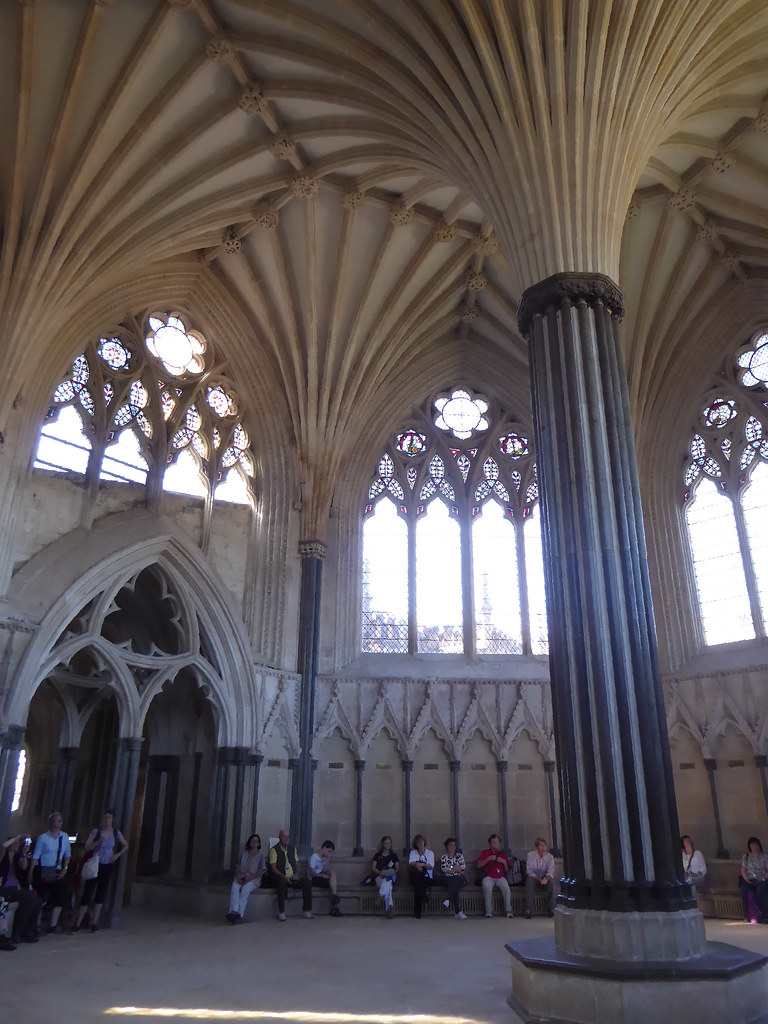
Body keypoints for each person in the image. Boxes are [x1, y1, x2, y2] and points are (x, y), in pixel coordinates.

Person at [72, 810, 128, 933]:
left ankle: (94, 922)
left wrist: (117, 855)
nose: (107, 820)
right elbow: (87, 847)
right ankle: (78, 922)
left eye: (109, 817)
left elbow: (125, 845)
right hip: (95, 864)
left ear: (113, 819)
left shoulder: (116, 832)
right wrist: (99, 840)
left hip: (107, 865)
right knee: (88, 892)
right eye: (105, 817)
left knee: (101, 894)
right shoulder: (96, 832)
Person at [31, 811, 71, 933]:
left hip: (58, 869)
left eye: (61, 821)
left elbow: (67, 855)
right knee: (41, 897)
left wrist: (65, 868)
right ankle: (36, 924)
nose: (60, 823)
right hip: (44, 870)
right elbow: (35, 857)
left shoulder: (64, 837)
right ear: (52, 822)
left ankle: (52, 925)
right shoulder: (43, 838)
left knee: (60, 896)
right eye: (58, 820)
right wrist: (31, 872)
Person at [0, 834, 41, 944]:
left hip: (16, 888)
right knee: (29, 899)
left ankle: (28, 932)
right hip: (5, 888)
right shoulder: (3, 856)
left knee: (37, 902)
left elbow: (24, 867)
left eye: (18, 843)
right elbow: (4, 846)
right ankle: (16, 933)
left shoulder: (17, 857)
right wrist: (18, 837)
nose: (17, 845)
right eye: (15, 843)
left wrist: (24, 853)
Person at [266, 829, 313, 921]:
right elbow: (273, 868)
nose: (287, 838)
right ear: (279, 838)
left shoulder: (293, 849)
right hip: (280, 876)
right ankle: (282, 912)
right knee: (281, 882)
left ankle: (306, 910)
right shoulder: (274, 850)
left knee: (306, 882)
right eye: (284, 836)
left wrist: (296, 874)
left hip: (291, 876)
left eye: (288, 836)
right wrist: (284, 877)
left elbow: (296, 864)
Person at [226, 833, 265, 924]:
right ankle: (234, 910)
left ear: (258, 844)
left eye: (256, 841)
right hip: (242, 877)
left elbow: (260, 871)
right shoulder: (243, 854)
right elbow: (238, 868)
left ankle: (240, 913)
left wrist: (249, 879)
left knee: (245, 889)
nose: (254, 843)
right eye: (252, 840)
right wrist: (238, 877)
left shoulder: (260, 857)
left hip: (254, 879)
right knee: (235, 886)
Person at [478, 833, 513, 918]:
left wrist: (504, 862)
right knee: (487, 887)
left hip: (500, 877)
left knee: (506, 888)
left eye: (497, 842)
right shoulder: (485, 852)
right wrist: (487, 859)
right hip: (488, 877)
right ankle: (489, 911)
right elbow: (478, 865)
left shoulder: (502, 854)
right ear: (490, 843)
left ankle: (508, 911)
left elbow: (507, 870)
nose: (495, 844)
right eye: (493, 842)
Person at [524, 837, 556, 918]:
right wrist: (539, 879)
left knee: (552, 883)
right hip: (534, 878)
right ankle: (529, 909)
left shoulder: (550, 857)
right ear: (536, 847)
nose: (543, 848)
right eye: (541, 846)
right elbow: (530, 871)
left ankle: (551, 909)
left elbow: (551, 871)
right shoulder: (530, 855)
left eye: (544, 846)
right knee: (529, 882)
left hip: (545, 877)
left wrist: (546, 878)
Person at [309, 840, 342, 916]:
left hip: (321, 877)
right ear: (324, 848)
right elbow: (312, 873)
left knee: (333, 873)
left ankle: (334, 896)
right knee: (333, 884)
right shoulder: (314, 856)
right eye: (329, 851)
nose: (329, 853)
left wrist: (328, 860)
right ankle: (334, 903)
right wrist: (322, 876)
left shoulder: (324, 858)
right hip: (315, 878)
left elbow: (324, 870)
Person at [739, 836, 768, 923]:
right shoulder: (746, 856)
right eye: (753, 844)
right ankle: (747, 915)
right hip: (749, 880)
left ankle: (765, 916)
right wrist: (746, 879)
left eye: (757, 844)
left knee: (761, 892)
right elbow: (743, 870)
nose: (755, 846)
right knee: (744, 890)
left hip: (762, 879)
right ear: (749, 846)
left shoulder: (764, 857)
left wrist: (762, 878)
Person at [371, 835, 399, 918]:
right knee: (388, 887)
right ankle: (389, 909)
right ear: (383, 844)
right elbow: (373, 868)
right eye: (386, 843)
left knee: (387, 881)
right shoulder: (377, 855)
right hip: (379, 877)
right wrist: (380, 873)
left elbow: (397, 868)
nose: (388, 845)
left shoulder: (393, 856)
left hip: (390, 877)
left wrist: (391, 872)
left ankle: (381, 895)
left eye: (389, 843)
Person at [408, 834, 435, 918]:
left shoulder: (430, 853)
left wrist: (421, 864)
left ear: (424, 842)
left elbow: (431, 866)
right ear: (415, 844)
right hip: (415, 875)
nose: (420, 843)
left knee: (418, 886)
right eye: (418, 842)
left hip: (426, 877)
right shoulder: (413, 852)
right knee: (417, 880)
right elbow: (411, 862)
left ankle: (417, 911)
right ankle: (423, 896)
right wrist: (416, 865)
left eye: (421, 841)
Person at [439, 837, 467, 919]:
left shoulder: (459, 856)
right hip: (448, 879)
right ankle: (458, 912)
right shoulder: (444, 857)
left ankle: (448, 899)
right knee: (455, 886)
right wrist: (455, 867)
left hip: (459, 878)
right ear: (447, 846)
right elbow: (444, 869)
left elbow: (462, 867)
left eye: (454, 846)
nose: (453, 847)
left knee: (456, 880)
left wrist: (452, 868)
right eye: (451, 845)